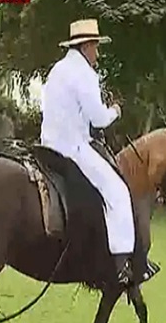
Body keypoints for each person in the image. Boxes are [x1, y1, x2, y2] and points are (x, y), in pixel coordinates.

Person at [40, 18, 135, 286]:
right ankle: (121, 263)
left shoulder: (57, 69)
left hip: (47, 144)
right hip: (73, 147)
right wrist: (115, 111)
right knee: (118, 191)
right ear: (86, 47)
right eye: (96, 46)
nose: (98, 53)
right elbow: (98, 119)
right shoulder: (85, 74)